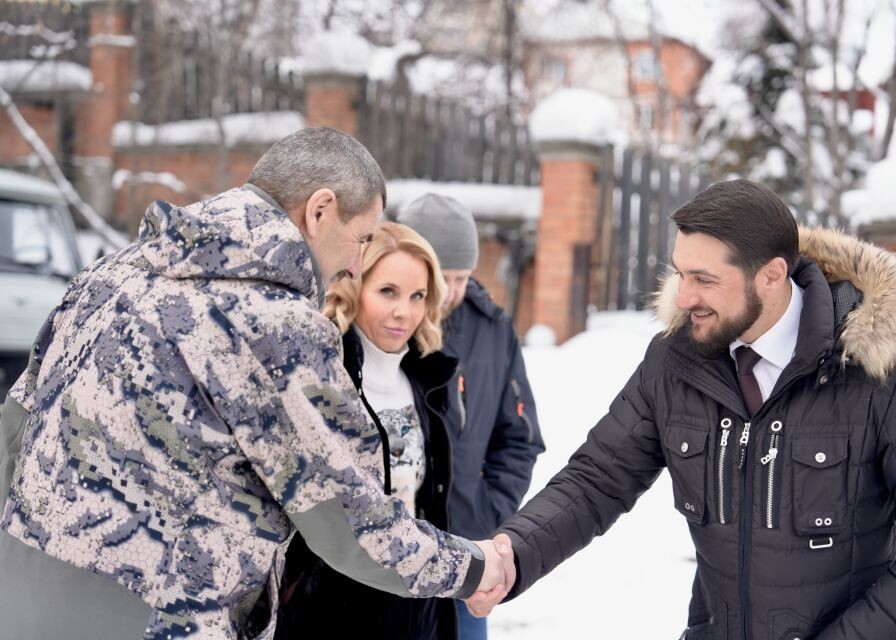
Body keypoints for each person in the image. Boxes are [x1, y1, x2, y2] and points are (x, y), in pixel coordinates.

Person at [0, 127, 513, 640]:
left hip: (22, 589)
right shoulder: (277, 326)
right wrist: (472, 567)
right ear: (319, 210)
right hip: (158, 614)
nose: (356, 265)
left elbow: (15, 425)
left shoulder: (115, 272)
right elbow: (350, 520)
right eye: (360, 240)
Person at [470, 179, 896, 639]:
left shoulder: (875, 369)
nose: (684, 297)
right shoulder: (676, 360)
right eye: (681, 273)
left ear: (771, 276)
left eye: (704, 279)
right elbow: (598, 478)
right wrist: (515, 551)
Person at [276, 221, 463, 639]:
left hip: (413, 607)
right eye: (388, 292)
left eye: (418, 296)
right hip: (326, 609)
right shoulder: (322, 375)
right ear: (353, 287)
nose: (405, 312)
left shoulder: (428, 382)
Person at [398, 192, 546, 640]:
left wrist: (488, 514)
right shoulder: (383, 321)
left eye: (462, 276)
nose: (454, 290)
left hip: (465, 557)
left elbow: (519, 439)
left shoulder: (493, 327)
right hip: (389, 556)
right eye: (442, 276)